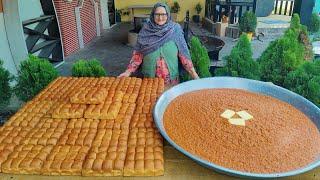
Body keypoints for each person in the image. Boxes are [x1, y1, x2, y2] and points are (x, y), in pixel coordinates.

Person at [118, 2, 199, 85]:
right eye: (157, 14)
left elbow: (184, 55)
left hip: (170, 83)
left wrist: (194, 75)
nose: (160, 18)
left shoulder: (175, 30)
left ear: (168, 15)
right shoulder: (145, 31)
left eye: (163, 14)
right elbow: (138, 55)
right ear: (153, 15)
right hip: (149, 82)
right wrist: (128, 72)